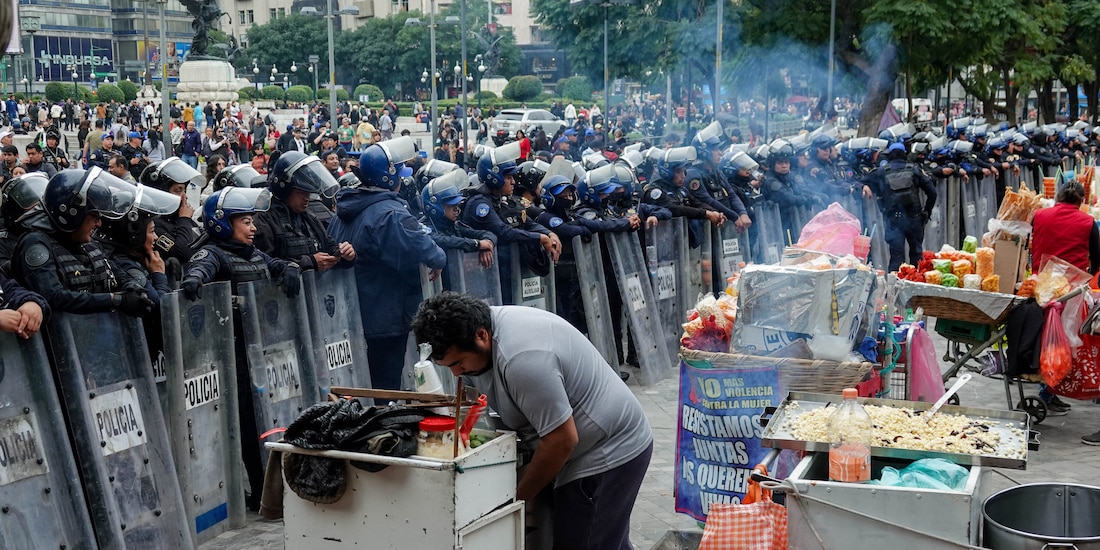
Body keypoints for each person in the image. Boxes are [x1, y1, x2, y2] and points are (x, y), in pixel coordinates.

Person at [411, 292, 653, 550]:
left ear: (481, 336)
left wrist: (515, 499)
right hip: (579, 444)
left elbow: (561, 440)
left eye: (458, 363)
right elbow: (474, 408)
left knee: (585, 541)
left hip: (608, 449)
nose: (456, 373)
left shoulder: (522, 358)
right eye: (448, 367)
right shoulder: (475, 335)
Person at [180, 186, 301, 512]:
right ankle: (261, 488)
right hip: (233, 356)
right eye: (245, 222)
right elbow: (198, 269)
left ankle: (274, 485)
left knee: (265, 421)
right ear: (222, 223)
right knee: (248, 426)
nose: (253, 228)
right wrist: (193, 280)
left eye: (253, 222)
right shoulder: (214, 254)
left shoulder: (254, 255)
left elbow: (275, 264)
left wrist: (290, 267)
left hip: (260, 353)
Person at [328, 137, 446, 390]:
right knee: (385, 386)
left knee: (363, 383)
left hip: (355, 313)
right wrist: (439, 258)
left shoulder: (349, 209)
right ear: (387, 178)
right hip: (385, 314)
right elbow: (422, 246)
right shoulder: (389, 213)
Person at [11, 168, 153, 316]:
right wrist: (115, 300)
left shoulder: (87, 242)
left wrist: (131, 286)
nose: (98, 224)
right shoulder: (35, 244)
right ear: (72, 214)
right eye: (94, 216)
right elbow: (53, 297)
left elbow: (115, 272)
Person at [1030, 181, 1098, 426]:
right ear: (1080, 201)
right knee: (1062, 342)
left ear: (1058, 197)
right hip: (1070, 291)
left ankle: (1047, 389)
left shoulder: (1039, 215)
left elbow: (1033, 243)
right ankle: (1048, 391)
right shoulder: (1088, 222)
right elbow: (1097, 258)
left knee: (1044, 337)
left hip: (1041, 285)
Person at [461, 141, 562, 305]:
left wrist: (550, 234)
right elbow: (504, 232)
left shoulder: (503, 201)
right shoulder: (480, 204)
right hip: (486, 281)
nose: (513, 182)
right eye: (508, 178)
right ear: (495, 178)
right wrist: (541, 238)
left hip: (506, 274)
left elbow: (526, 221)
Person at [254, 150, 355, 271]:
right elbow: (264, 265)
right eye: (301, 192)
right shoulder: (265, 220)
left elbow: (329, 247)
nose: (307, 197)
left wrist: (344, 254)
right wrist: (309, 262)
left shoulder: (310, 218)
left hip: (315, 288)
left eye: (309, 192)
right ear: (284, 189)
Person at [861, 142, 937, 271]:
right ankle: (916, 286)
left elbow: (862, 180)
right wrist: (927, 212)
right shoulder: (914, 169)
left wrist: (865, 185)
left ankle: (893, 288)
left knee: (896, 257)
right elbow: (932, 192)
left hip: (893, 221)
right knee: (917, 256)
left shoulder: (881, 172)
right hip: (915, 219)